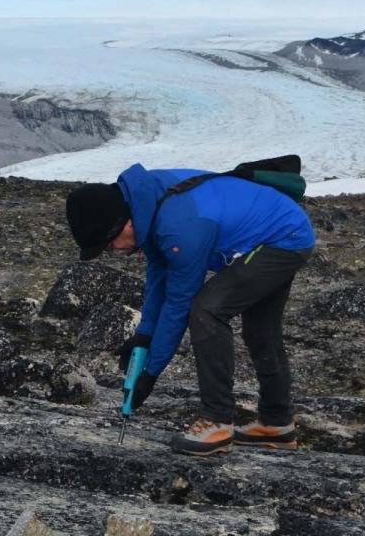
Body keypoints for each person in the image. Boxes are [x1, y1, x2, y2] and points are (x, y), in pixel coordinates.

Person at [66, 162, 315, 456]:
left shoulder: (179, 227)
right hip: (276, 229)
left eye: (108, 244)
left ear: (125, 224)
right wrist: (144, 336)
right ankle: (277, 424)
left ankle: (217, 419)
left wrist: (150, 374)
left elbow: (179, 305)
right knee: (261, 329)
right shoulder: (147, 202)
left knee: (207, 311)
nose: (113, 251)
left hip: (284, 239)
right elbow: (159, 276)